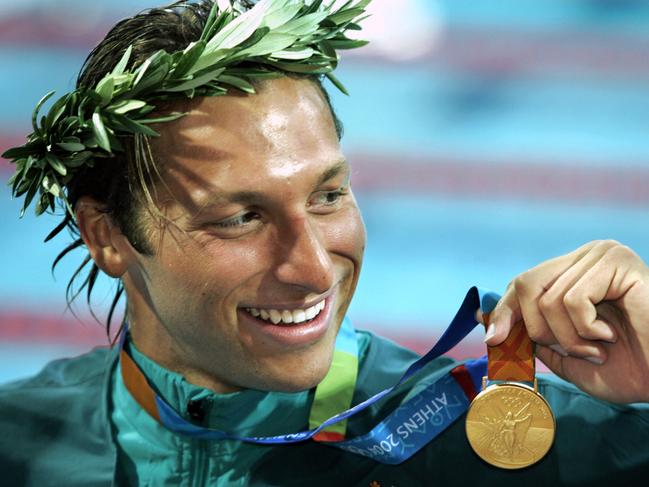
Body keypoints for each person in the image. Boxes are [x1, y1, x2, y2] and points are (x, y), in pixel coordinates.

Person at [1, 1, 648, 485]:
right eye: (241, 217)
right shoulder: (20, 443)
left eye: (327, 195)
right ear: (106, 236)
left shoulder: (487, 438)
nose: (314, 270)